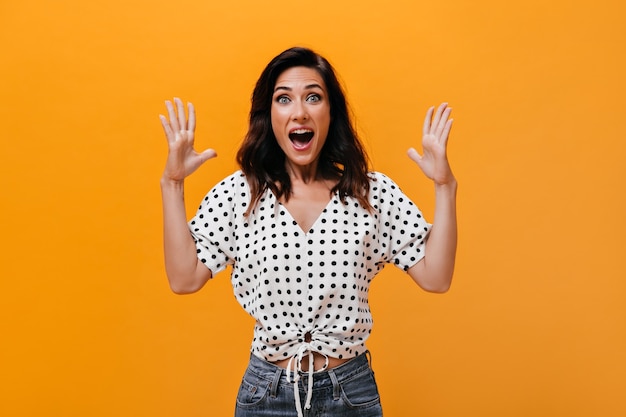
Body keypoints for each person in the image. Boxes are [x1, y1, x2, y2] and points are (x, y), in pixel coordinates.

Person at [159, 47, 457, 417]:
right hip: (266, 395)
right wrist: (172, 183)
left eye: (313, 97)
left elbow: (437, 276)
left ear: (331, 112)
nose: (299, 111)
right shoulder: (239, 194)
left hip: (350, 393)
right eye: (284, 99)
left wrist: (445, 186)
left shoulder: (371, 193)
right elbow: (184, 278)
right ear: (269, 116)